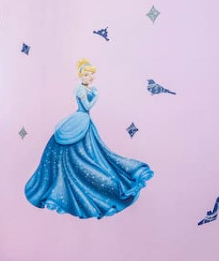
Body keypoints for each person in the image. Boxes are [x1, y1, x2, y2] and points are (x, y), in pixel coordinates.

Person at [23, 59, 153, 218]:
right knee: (79, 151)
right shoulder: (81, 90)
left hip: (84, 121)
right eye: (86, 74)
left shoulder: (87, 88)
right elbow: (87, 106)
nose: (89, 77)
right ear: (80, 76)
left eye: (91, 74)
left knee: (95, 151)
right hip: (80, 119)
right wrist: (96, 96)